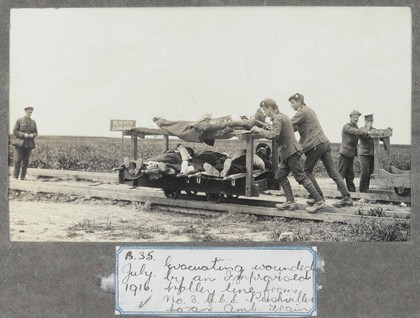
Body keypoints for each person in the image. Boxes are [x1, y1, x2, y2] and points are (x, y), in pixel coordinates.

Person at [251, 98, 325, 213]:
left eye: (265, 110)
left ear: (270, 108)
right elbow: (278, 130)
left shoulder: (277, 119)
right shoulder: (282, 116)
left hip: (290, 152)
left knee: (301, 177)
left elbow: (274, 135)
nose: (264, 112)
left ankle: (319, 201)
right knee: (280, 176)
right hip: (288, 152)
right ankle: (290, 201)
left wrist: (259, 130)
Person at [288, 93, 353, 208]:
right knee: (334, 173)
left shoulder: (302, 112)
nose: (291, 105)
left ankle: (318, 196)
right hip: (324, 143)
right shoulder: (309, 110)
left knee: (306, 171)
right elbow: (297, 127)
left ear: (299, 102)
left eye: (292, 103)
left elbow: (287, 124)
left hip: (316, 145)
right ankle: (346, 197)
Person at [337, 110, 370, 192]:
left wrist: (368, 132)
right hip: (345, 153)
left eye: (357, 118)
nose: (356, 119)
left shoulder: (356, 127)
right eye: (354, 117)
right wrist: (367, 130)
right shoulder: (347, 126)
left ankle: (351, 190)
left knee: (350, 174)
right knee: (341, 173)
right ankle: (340, 191)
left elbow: (361, 134)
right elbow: (356, 132)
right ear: (350, 118)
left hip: (350, 154)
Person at [12, 106, 38, 180]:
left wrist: (33, 135)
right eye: (28, 112)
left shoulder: (33, 122)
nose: (30, 113)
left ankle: (22, 177)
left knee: (25, 161)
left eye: (31, 112)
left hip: (28, 144)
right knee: (17, 160)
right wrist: (23, 135)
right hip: (19, 144)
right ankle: (15, 177)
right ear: (25, 112)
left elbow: (36, 132)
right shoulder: (19, 120)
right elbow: (14, 131)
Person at [358, 114, 376, 192]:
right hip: (364, 154)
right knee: (365, 172)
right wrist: (368, 128)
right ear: (365, 121)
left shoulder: (374, 129)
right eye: (368, 120)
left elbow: (380, 137)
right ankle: (362, 190)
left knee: (369, 173)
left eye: (371, 121)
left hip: (372, 154)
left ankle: (366, 189)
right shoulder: (362, 129)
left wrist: (387, 130)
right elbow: (363, 135)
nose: (370, 122)